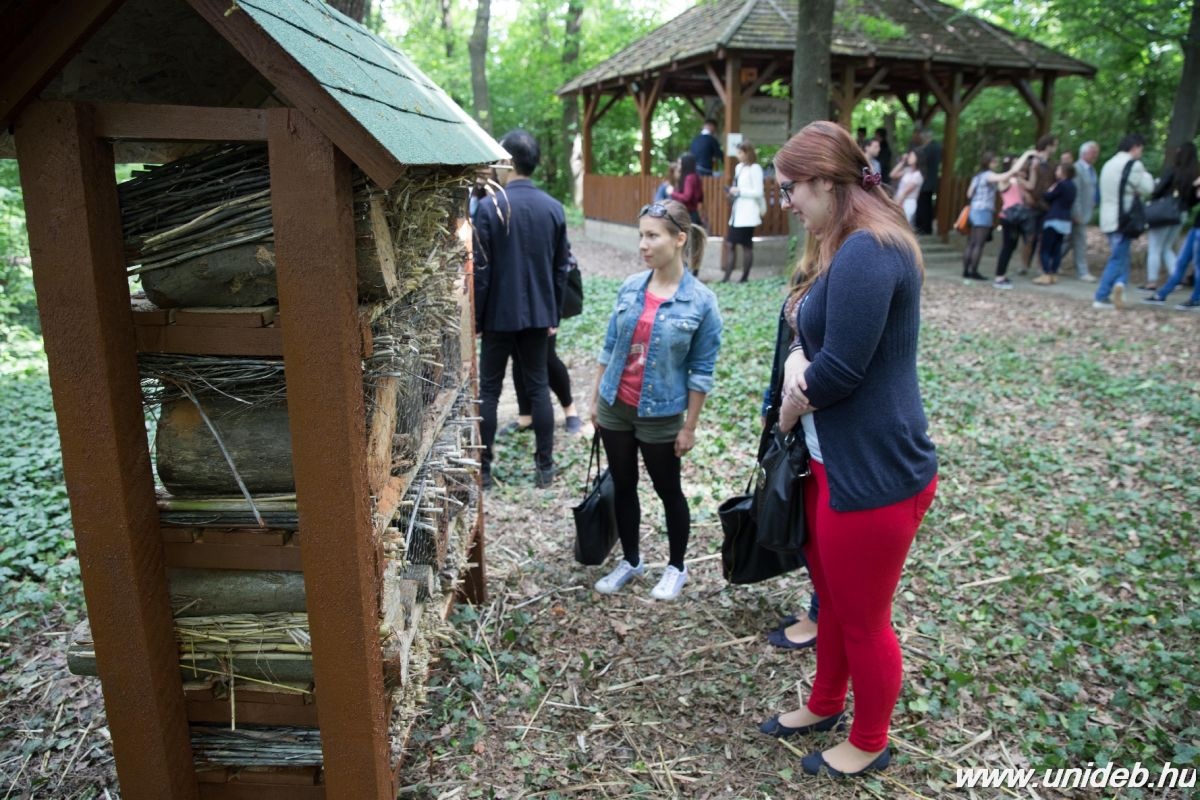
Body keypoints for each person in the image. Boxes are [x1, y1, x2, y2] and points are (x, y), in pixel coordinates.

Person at [757, 121, 938, 779]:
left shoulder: (870, 249)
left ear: (827, 181)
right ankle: (825, 703)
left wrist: (788, 407)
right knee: (832, 602)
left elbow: (840, 372)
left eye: (791, 189)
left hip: (875, 474)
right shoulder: (842, 243)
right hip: (832, 464)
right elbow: (812, 333)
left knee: (864, 619)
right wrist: (797, 359)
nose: (787, 202)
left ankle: (869, 741)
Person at [589, 199, 722, 601]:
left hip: (661, 414)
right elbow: (610, 346)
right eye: (641, 236)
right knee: (623, 485)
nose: (643, 245)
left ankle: (676, 567)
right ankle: (631, 560)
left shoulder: (701, 302)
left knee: (669, 491)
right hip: (615, 405)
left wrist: (689, 427)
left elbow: (701, 370)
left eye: (652, 236)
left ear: (679, 239)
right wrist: (595, 399)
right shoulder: (631, 286)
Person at [472, 129, 569, 488]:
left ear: (507, 161)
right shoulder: (553, 208)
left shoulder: (489, 208)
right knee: (539, 387)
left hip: (498, 315)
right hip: (539, 314)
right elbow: (561, 268)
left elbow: (481, 272)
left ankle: (484, 471)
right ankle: (545, 468)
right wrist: (553, 313)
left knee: (489, 391)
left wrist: (477, 318)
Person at [502, 250, 584, 438]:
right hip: (511, 287)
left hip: (542, 289)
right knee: (517, 354)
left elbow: (561, 252)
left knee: (546, 356)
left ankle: (570, 410)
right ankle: (526, 416)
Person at [1093, 134, 1155, 310]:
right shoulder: (1134, 165)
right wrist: (1145, 173)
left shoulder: (1108, 164)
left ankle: (1120, 286)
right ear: (1135, 147)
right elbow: (1148, 188)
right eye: (1141, 149)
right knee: (1118, 258)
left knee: (1122, 255)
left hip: (1108, 218)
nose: (1141, 153)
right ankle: (1101, 296)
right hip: (1124, 219)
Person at [1142, 142, 1198, 290]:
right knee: (1167, 247)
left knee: (1155, 246)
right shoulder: (1195, 175)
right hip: (1182, 213)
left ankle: (1152, 281)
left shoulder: (1173, 171)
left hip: (1165, 212)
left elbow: (1158, 190)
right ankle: (1176, 278)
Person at [1144, 173, 1200, 310]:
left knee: (1198, 265)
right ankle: (1162, 294)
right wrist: (1195, 187)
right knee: (1182, 261)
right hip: (1196, 226)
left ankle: (1196, 299)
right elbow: (1191, 200)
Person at [992, 151, 1038, 289]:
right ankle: (999, 277)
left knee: (1011, 246)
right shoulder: (1004, 179)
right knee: (1007, 247)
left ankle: (1002, 275)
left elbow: (1031, 185)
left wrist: (1033, 169)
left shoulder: (1017, 179)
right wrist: (1027, 153)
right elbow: (1013, 171)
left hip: (1018, 217)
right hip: (1008, 217)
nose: (1020, 165)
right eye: (1016, 162)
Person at [724, 140, 765, 282]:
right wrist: (733, 192)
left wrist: (740, 191)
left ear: (748, 153)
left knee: (746, 246)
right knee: (730, 244)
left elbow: (758, 192)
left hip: (748, 213)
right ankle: (727, 277)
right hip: (737, 212)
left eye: (741, 152)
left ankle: (744, 277)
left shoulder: (755, 168)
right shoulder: (739, 168)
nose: (738, 155)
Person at [1020, 134, 1059, 275]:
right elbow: (1020, 177)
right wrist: (1026, 195)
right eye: (1055, 145)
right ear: (1048, 145)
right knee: (1029, 236)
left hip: (1046, 204)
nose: (1056, 148)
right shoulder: (1030, 161)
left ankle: (1040, 266)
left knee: (1043, 237)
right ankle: (1024, 265)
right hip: (1032, 204)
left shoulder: (1053, 164)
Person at [1032, 162, 1077, 284]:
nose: (1056, 172)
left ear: (1064, 173)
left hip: (1054, 218)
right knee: (1057, 248)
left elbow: (1048, 196)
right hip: (1065, 220)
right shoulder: (1073, 186)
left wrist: (1047, 191)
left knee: (1045, 248)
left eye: (1058, 170)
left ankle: (1046, 273)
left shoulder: (1060, 185)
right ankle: (1053, 273)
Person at [1069, 141, 1100, 281]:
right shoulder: (1077, 169)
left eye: (1096, 152)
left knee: (1069, 240)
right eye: (1093, 152)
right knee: (1080, 241)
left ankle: (1051, 263)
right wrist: (1076, 213)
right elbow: (1075, 193)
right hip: (1078, 213)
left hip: (1086, 211)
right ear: (1084, 153)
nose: (1095, 155)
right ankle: (1082, 271)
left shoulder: (1092, 170)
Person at [668, 152, 705, 234]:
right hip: (693, 213)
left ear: (685, 164)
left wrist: (672, 193)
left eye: (680, 163)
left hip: (688, 213)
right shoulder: (695, 176)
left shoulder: (689, 178)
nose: (678, 166)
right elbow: (700, 196)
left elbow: (686, 197)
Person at [913, 128, 940, 235]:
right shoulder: (936, 147)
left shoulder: (929, 148)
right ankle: (927, 228)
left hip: (926, 181)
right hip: (931, 180)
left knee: (923, 205)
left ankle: (924, 228)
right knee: (927, 205)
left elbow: (922, 159)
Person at [890, 150, 923, 228]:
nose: (909, 157)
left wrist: (896, 204)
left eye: (912, 156)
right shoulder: (907, 170)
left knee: (903, 226)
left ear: (918, 158)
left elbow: (905, 192)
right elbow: (892, 175)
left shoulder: (918, 175)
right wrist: (902, 162)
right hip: (900, 200)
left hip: (908, 202)